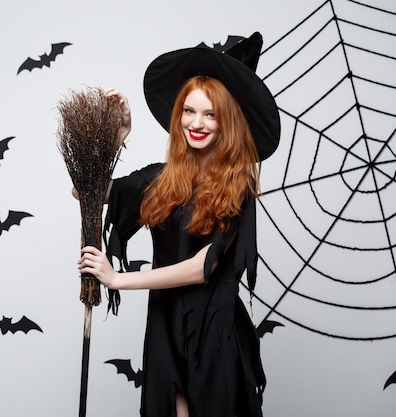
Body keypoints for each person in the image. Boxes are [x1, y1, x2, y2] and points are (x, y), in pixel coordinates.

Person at [76, 32, 280, 417]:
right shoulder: (161, 179)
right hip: (166, 328)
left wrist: (118, 279)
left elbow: (203, 267)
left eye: (210, 114)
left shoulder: (238, 188)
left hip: (214, 332)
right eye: (189, 111)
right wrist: (117, 138)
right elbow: (84, 191)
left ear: (227, 122)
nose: (197, 123)